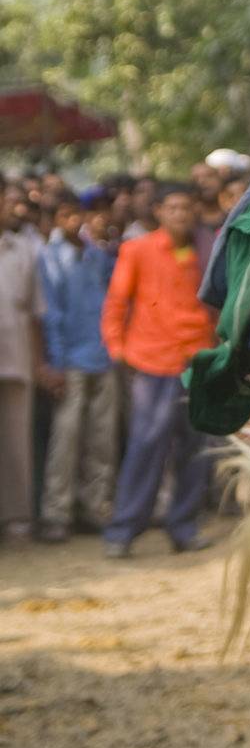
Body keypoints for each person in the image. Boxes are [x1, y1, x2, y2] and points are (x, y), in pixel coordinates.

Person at [101, 183, 217, 556]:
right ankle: (122, 532)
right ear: (159, 212)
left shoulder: (208, 249)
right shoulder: (137, 249)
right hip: (153, 361)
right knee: (145, 447)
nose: (180, 214)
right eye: (173, 208)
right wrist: (117, 347)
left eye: (186, 207)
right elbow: (117, 302)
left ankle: (183, 528)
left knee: (196, 449)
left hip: (198, 361)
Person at [37, 193, 117, 541]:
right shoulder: (50, 258)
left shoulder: (96, 255)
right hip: (69, 360)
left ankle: (94, 506)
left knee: (101, 439)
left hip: (102, 356)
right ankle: (57, 513)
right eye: (64, 215)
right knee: (65, 440)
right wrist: (55, 362)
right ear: (55, 219)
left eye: (76, 214)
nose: (72, 221)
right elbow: (51, 315)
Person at [0, 186, 57, 542]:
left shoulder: (23, 249)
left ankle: (17, 517)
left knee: (17, 439)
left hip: (17, 354)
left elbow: (38, 314)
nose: (10, 208)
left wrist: (38, 363)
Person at [191, 162, 226, 230]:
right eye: (196, 179)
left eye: (209, 176)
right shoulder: (189, 219)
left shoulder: (235, 212)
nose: (202, 181)